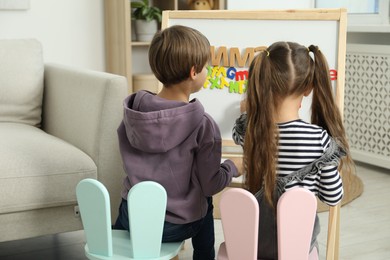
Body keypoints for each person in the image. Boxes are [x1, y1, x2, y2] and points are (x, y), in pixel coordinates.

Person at [113, 25, 242, 260]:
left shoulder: (134, 112)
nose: (207, 71)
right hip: (173, 227)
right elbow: (211, 184)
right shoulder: (203, 125)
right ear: (194, 72)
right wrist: (232, 166)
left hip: (131, 217)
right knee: (206, 201)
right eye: (206, 66)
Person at [232, 41, 354, 259]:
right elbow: (333, 197)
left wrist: (249, 110)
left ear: (264, 81)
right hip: (297, 248)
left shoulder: (249, 131)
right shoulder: (319, 140)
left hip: (253, 246)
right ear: (308, 88)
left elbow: (241, 127)